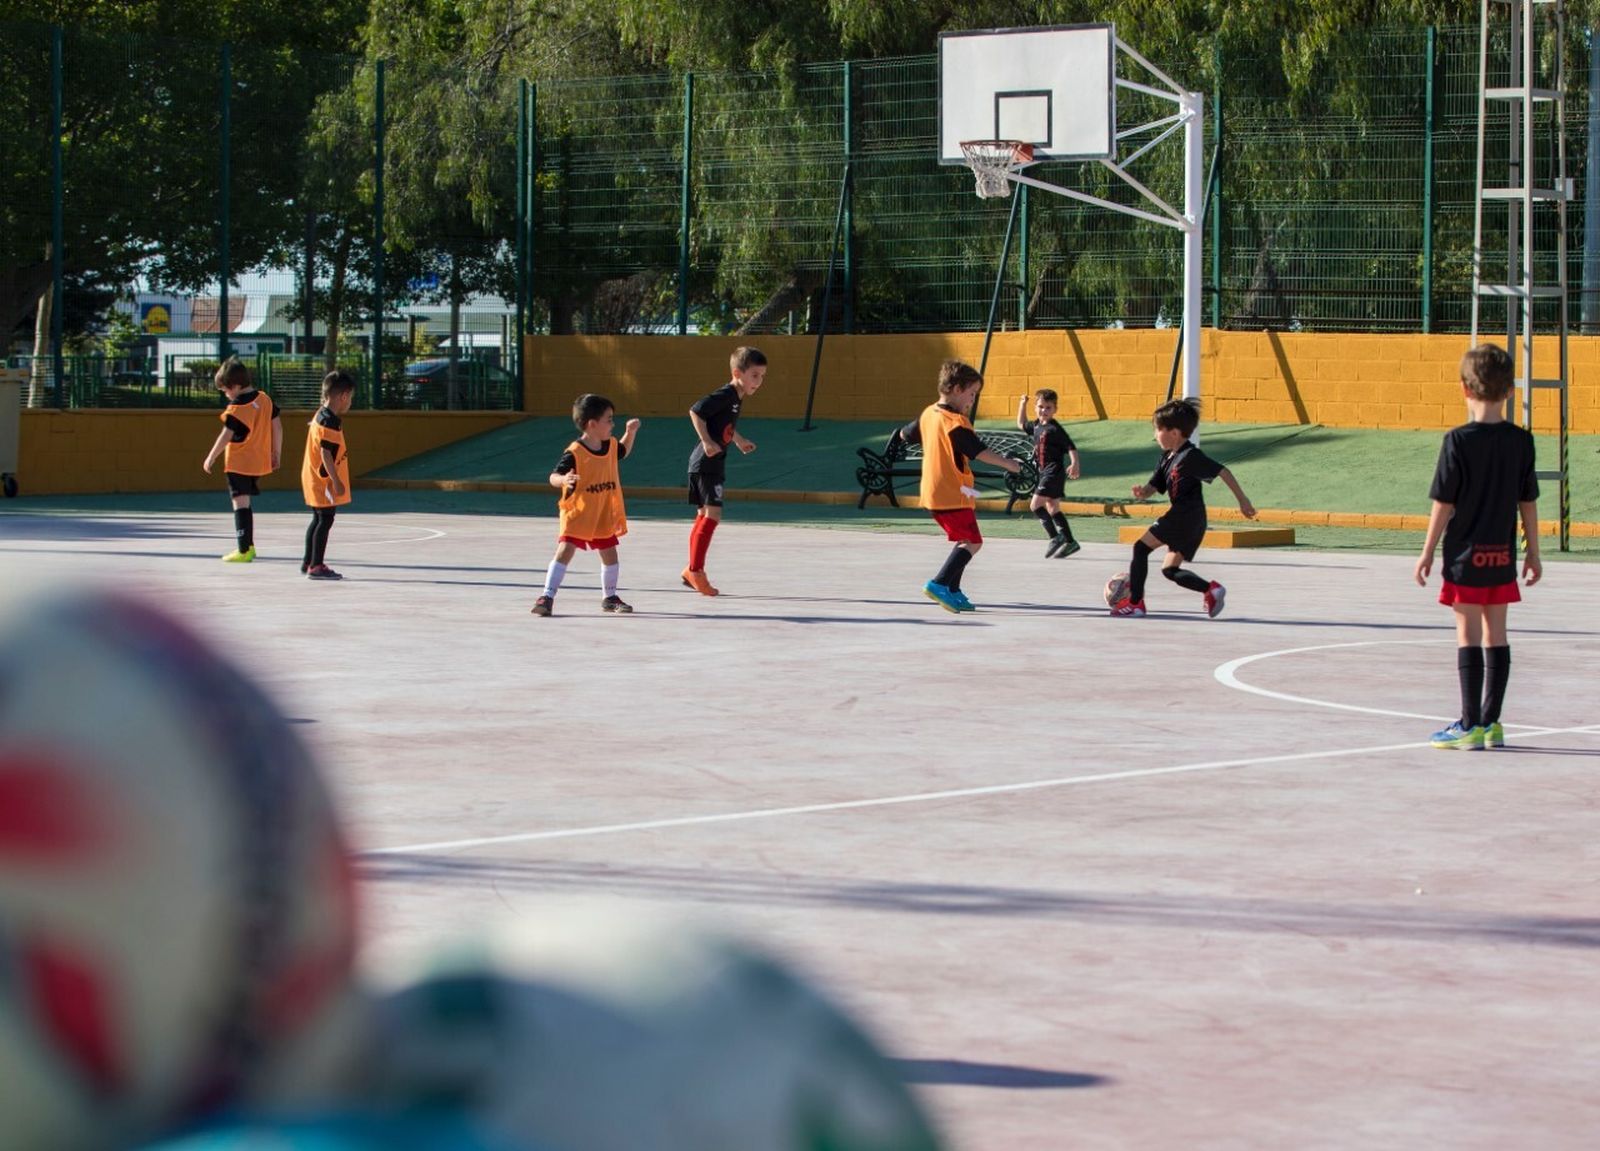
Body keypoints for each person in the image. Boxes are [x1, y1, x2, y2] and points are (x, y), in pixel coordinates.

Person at [1414, 344, 1541, 751]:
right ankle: (1492, 723)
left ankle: (1469, 725)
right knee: (1497, 635)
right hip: (1501, 555)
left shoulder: (1458, 441)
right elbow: (1528, 501)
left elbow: (1444, 504)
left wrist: (1428, 550)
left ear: (1465, 390)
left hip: (1467, 555)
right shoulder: (1522, 442)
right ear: (1509, 391)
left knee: (1467, 633)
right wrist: (1533, 552)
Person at [1110, 398, 1256, 618]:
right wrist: (1143, 492)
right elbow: (1154, 486)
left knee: (1140, 549)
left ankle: (1135, 603)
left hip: (1184, 516)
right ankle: (1211, 589)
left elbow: (1222, 471)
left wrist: (1243, 501)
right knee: (1170, 570)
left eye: (1158, 429)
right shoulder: (1166, 458)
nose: (1155, 434)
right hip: (1191, 520)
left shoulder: (1190, 456)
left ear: (1175, 433)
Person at [901, 359, 1021, 613]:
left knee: (964, 539)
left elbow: (906, 433)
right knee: (973, 542)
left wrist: (901, 436)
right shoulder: (954, 422)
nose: (973, 400)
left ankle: (953, 590)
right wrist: (1009, 464)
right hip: (951, 493)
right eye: (972, 393)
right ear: (956, 389)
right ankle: (940, 583)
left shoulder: (929, 414)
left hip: (935, 492)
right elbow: (976, 450)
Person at [533, 393, 641, 617]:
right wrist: (564, 480)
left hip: (602, 511)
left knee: (610, 553)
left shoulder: (610, 445)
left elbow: (623, 451)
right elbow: (553, 476)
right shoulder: (575, 452)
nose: (613, 424)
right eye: (609, 419)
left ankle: (609, 597)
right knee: (565, 551)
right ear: (592, 424)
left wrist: (630, 434)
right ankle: (547, 596)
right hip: (578, 511)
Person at [682, 346, 765, 596]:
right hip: (706, 463)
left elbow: (725, 424)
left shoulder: (736, 398)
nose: (759, 382)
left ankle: (692, 570)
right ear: (737, 373)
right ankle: (696, 571)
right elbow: (696, 411)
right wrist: (707, 441)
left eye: (762, 377)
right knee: (713, 515)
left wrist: (737, 439)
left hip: (708, 463)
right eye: (754, 376)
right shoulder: (726, 394)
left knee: (703, 515)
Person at [201, 356, 282, 563]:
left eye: (226, 390)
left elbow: (226, 436)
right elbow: (277, 427)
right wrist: (276, 453)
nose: (226, 395)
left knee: (240, 504)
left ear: (236, 386)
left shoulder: (237, 409)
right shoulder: (264, 399)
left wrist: (211, 457)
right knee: (245, 503)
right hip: (257, 462)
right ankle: (249, 546)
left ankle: (243, 549)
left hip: (238, 463)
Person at [300, 370, 357, 581]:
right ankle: (316, 565)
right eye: (350, 397)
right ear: (343, 396)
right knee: (325, 519)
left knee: (317, 519)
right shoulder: (330, 422)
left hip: (313, 477)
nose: (350, 402)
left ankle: (308, 560)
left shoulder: (321, 414)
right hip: (323, 480)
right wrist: (336, 480)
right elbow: (325, 453)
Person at [1015, 388, 1083, 557]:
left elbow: (1071, 447)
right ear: (1036, 407)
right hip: (1045, 473)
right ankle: (1070, 542)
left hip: (1053, 473)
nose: (1043, 411)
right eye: (1040, 406)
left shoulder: (1055, 429)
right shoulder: (1037, 425)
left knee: (1034, 505)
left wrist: (1075, 464)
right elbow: (1021, 424)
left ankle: (1055, 537)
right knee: (1053, 508)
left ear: (1055, 410)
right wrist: (1022, 404)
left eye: (1048, 408)